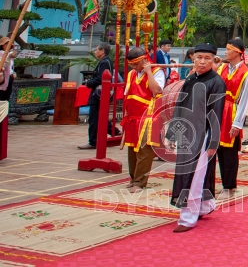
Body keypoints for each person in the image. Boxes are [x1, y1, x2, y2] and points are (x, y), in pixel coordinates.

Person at [169, 43, 226, 232]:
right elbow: (180, 104)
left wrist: (213, 141)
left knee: (193, 176)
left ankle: (187, 219)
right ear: (193, 58)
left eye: (207, 58)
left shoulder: (216, 82)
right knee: (192, 172)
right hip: (186, 132)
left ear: (213, 60)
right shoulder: (191, 78)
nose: (202, 61)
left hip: (203, 134)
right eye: (199, 57)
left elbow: (217, 114)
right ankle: (205, 206)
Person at [215, 38, 248, 197]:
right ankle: (225, 184)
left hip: (232, 112)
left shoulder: (247, 74)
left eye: (228, 49)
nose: (225, 52)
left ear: (237, 53)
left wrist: (237, 124)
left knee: (230, 151)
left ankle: (230, 186)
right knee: (219, 150)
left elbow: (245, 101)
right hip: (219, 110)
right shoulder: (222, 68)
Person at [122, 46, 165, 189]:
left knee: (144, 151)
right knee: (132, 150)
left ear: (144, 60)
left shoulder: (157, 72)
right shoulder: (131, 74)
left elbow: (156, 91)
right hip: (133, 116)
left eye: (136, 64)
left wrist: (148, 73)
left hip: (148, 116)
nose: (134, 67)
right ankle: (133, 179)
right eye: (132, 65)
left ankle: (140, 182)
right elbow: (127, 94)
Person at [80, 43, 115, 150]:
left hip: (99, 93)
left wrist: (89, 83)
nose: (95, 52)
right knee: (100, 116)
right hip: (101, 92)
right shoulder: (104, 61)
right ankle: (114, 131)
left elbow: (100, 78)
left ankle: (93, 141)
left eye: (96, 50)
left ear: (102, 51)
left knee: (94, 117)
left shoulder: (105, 62)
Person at [0, 45, 18, 161]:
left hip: (6, 81)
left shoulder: (9, 55)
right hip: (1, 84)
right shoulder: (2, 54)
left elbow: (10, 66)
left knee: (5, 102)